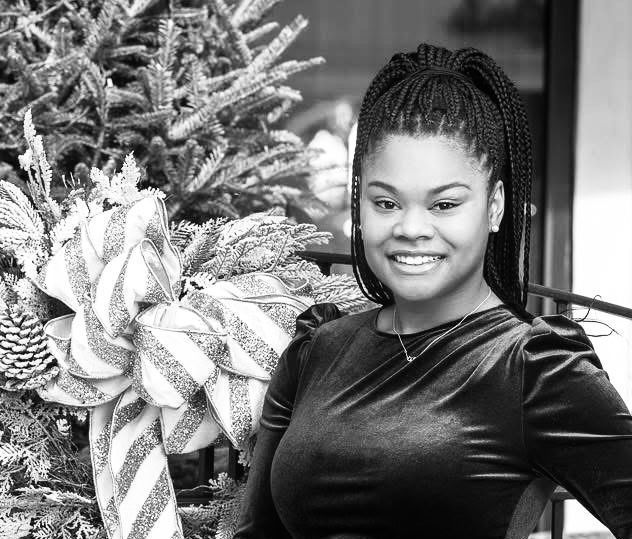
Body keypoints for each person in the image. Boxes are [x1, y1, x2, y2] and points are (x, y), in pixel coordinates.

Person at [233, 43, 632, 539]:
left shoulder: (533, 367)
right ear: (359, 206)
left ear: (495, 206)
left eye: (444, 204)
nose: (411, 228)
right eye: (386, 202)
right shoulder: (316, 351)